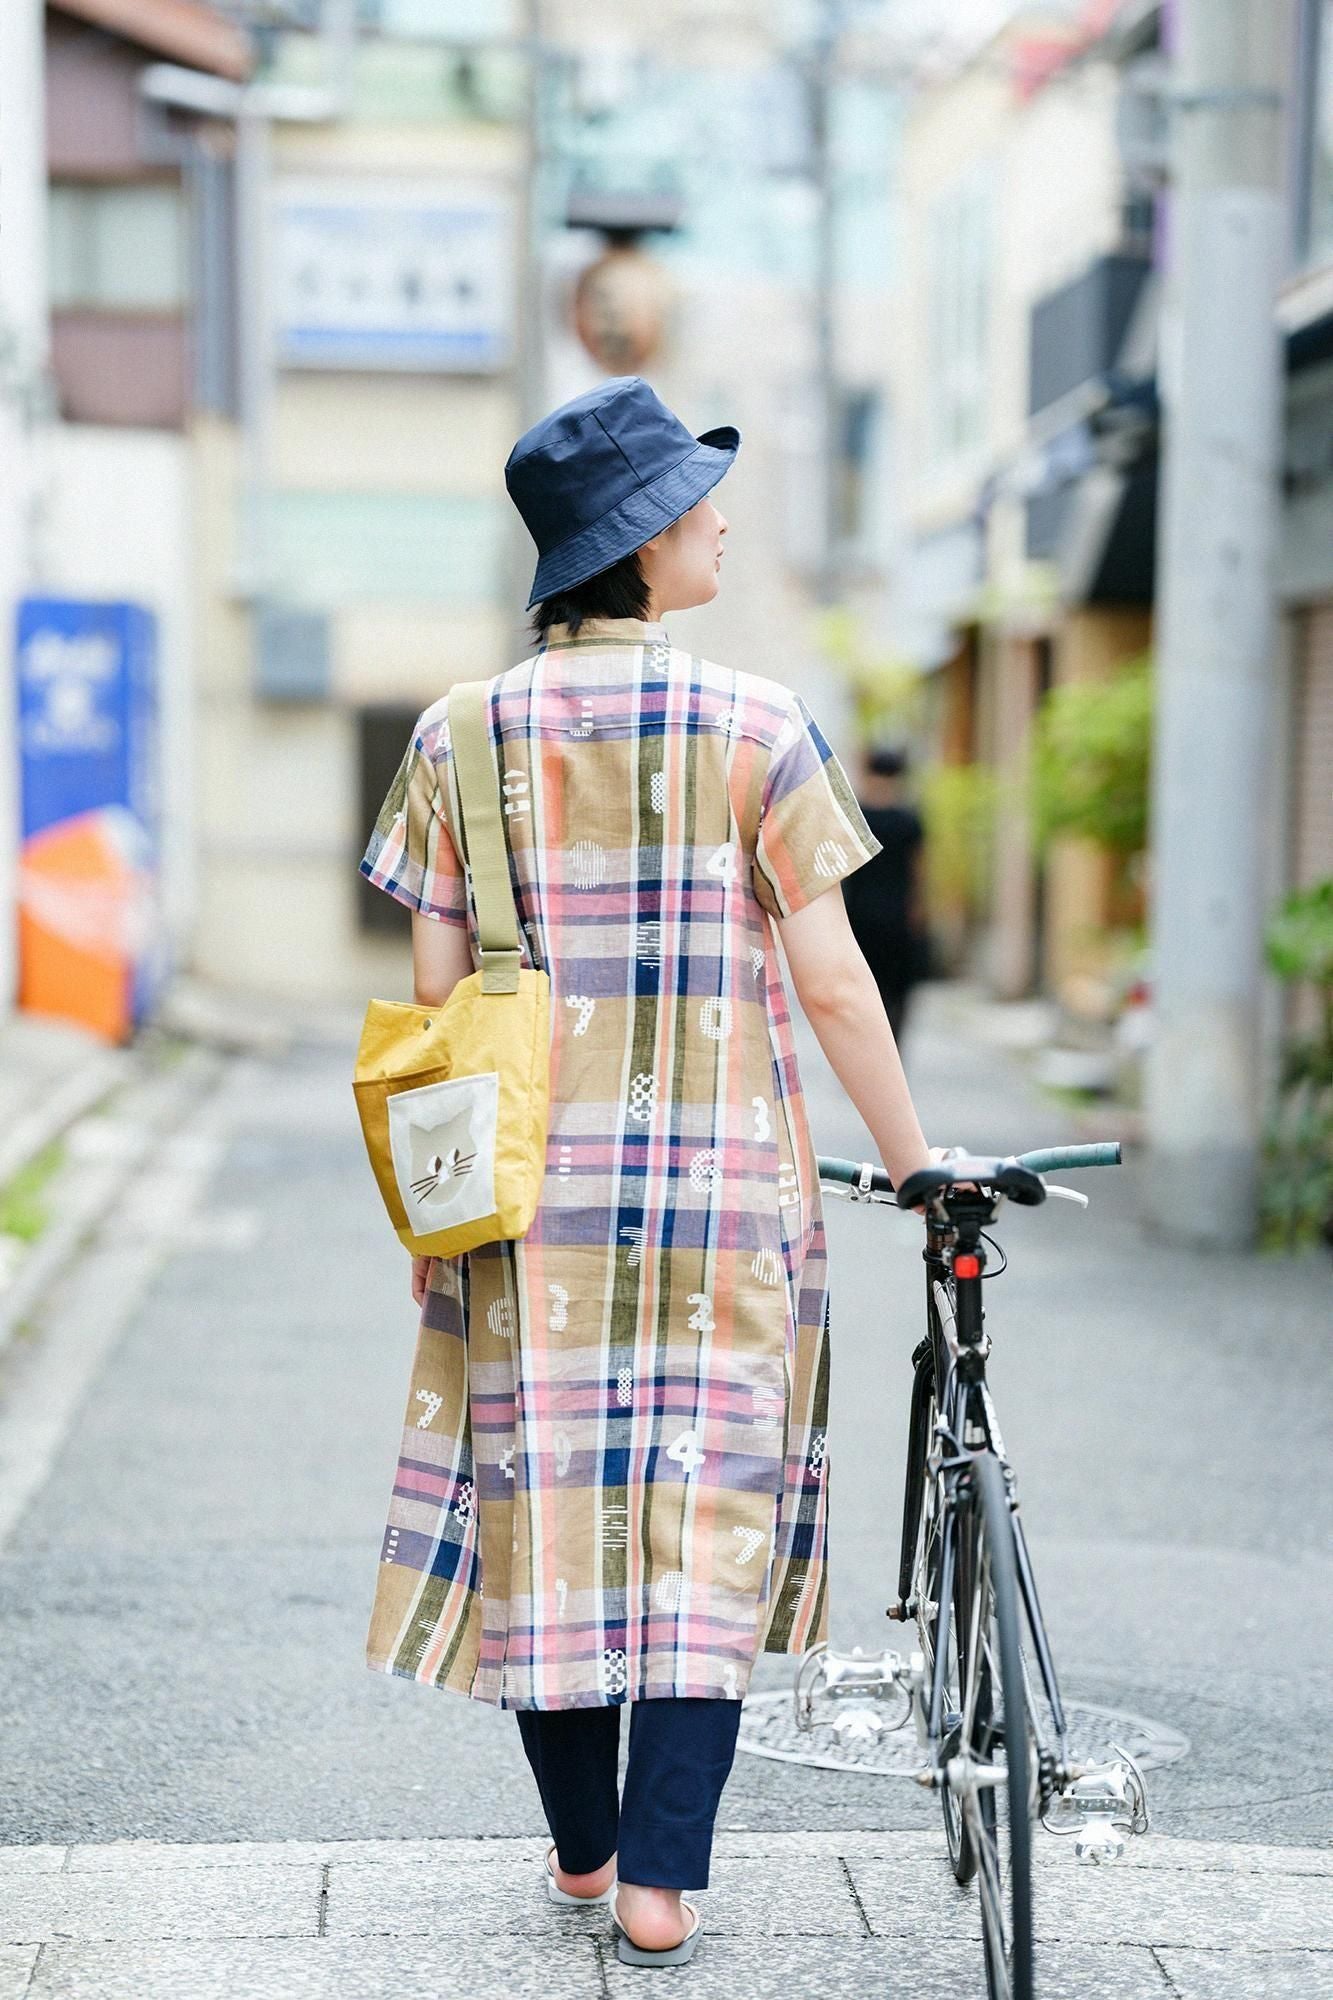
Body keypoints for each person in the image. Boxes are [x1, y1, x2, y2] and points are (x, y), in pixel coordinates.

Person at [357, 376, 948, 1968]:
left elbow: (434, 1002)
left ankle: (580, 1846)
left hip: (518, 1208)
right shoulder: (760, 728)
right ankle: (660, 1886)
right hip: (720, 1210)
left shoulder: (455, 734)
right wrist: (919, 1165)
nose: (722, 522)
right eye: (700, 505)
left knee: (540, 1507)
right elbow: (830, 983)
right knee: (707, 1525)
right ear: (645, 541)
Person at [841, 746, 930, 1047]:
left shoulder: (856, 815)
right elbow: (919, 872)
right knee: (898, 991)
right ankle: (892, 1049)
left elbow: (841, 869)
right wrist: (919, 913)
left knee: (863, 987)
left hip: (858, 915)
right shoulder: (908, 819)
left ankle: (863, 1050)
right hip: (897, 917)